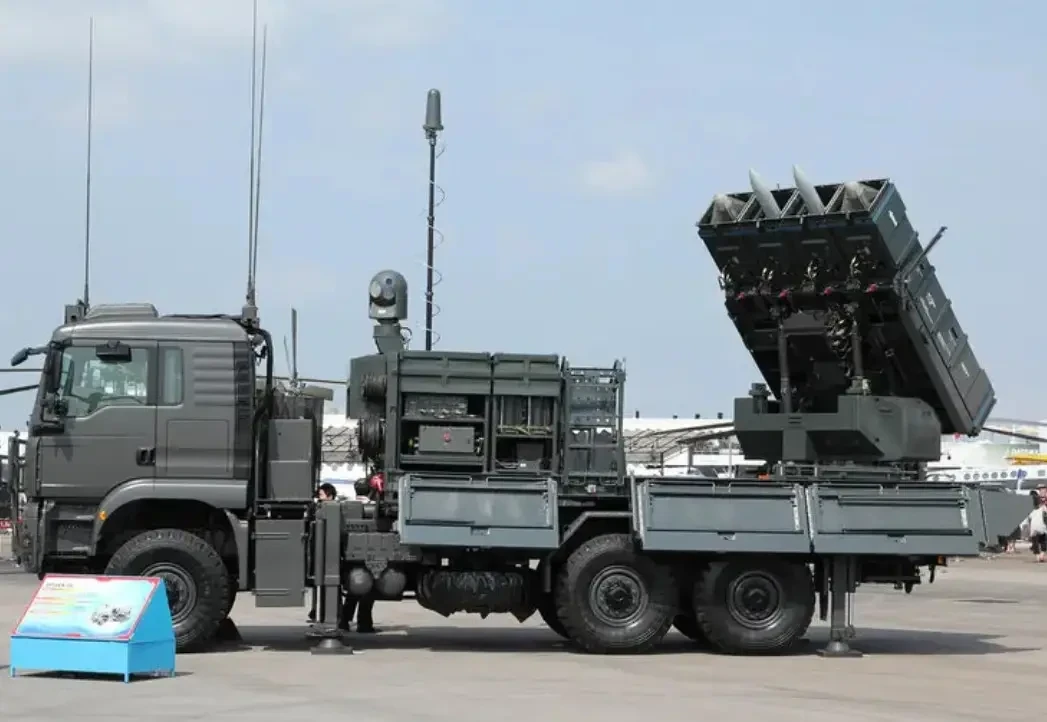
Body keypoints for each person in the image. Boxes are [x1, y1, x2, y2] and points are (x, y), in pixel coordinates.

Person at [338, 475, 380, 633]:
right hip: (372, 552)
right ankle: (364, 623)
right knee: (369, 591)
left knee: (353, 590)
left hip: (350, 552)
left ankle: (344, 621)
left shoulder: (346, 505)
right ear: (370, 491)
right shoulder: (375, 507)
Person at [1021, 495, 1047, 563]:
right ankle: (1042, 555)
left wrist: (1025, 526)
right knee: (1043, 541)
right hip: (1042, 527)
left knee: (1035, 542)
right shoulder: (1043, 507)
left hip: (1033, 528)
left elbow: (1028, 519)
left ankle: (1038, 557)